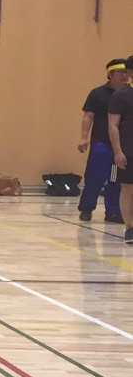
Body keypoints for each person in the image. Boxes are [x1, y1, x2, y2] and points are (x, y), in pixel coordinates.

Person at [78, 57, 129, 224]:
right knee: (95, 177)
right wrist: (84, 137)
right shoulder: (97, 93)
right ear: (110, 74)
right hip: (101, 143)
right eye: (119, 72)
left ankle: (113, 212)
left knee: (115, 180)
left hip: (120, 146)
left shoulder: (128, 94)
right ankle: (86, 208)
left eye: (125, 72)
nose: (124, 75)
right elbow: (88, 116)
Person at [105, 55, 133, 243]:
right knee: (127, 189)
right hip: (129, 150)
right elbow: (113, 125)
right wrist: (118, 151)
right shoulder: (121, 96)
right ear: (130, 73)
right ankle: (130, 227)